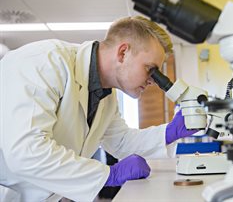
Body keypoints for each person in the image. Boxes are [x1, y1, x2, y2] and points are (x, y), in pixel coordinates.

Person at [0, 16, 200, 202]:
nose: (153, 81)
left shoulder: (105, 94)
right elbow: (26, 152)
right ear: (123, 53)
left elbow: (120, 142)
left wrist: (170, 132)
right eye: (150, 70)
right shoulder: (45, 62)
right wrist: (108, 175)